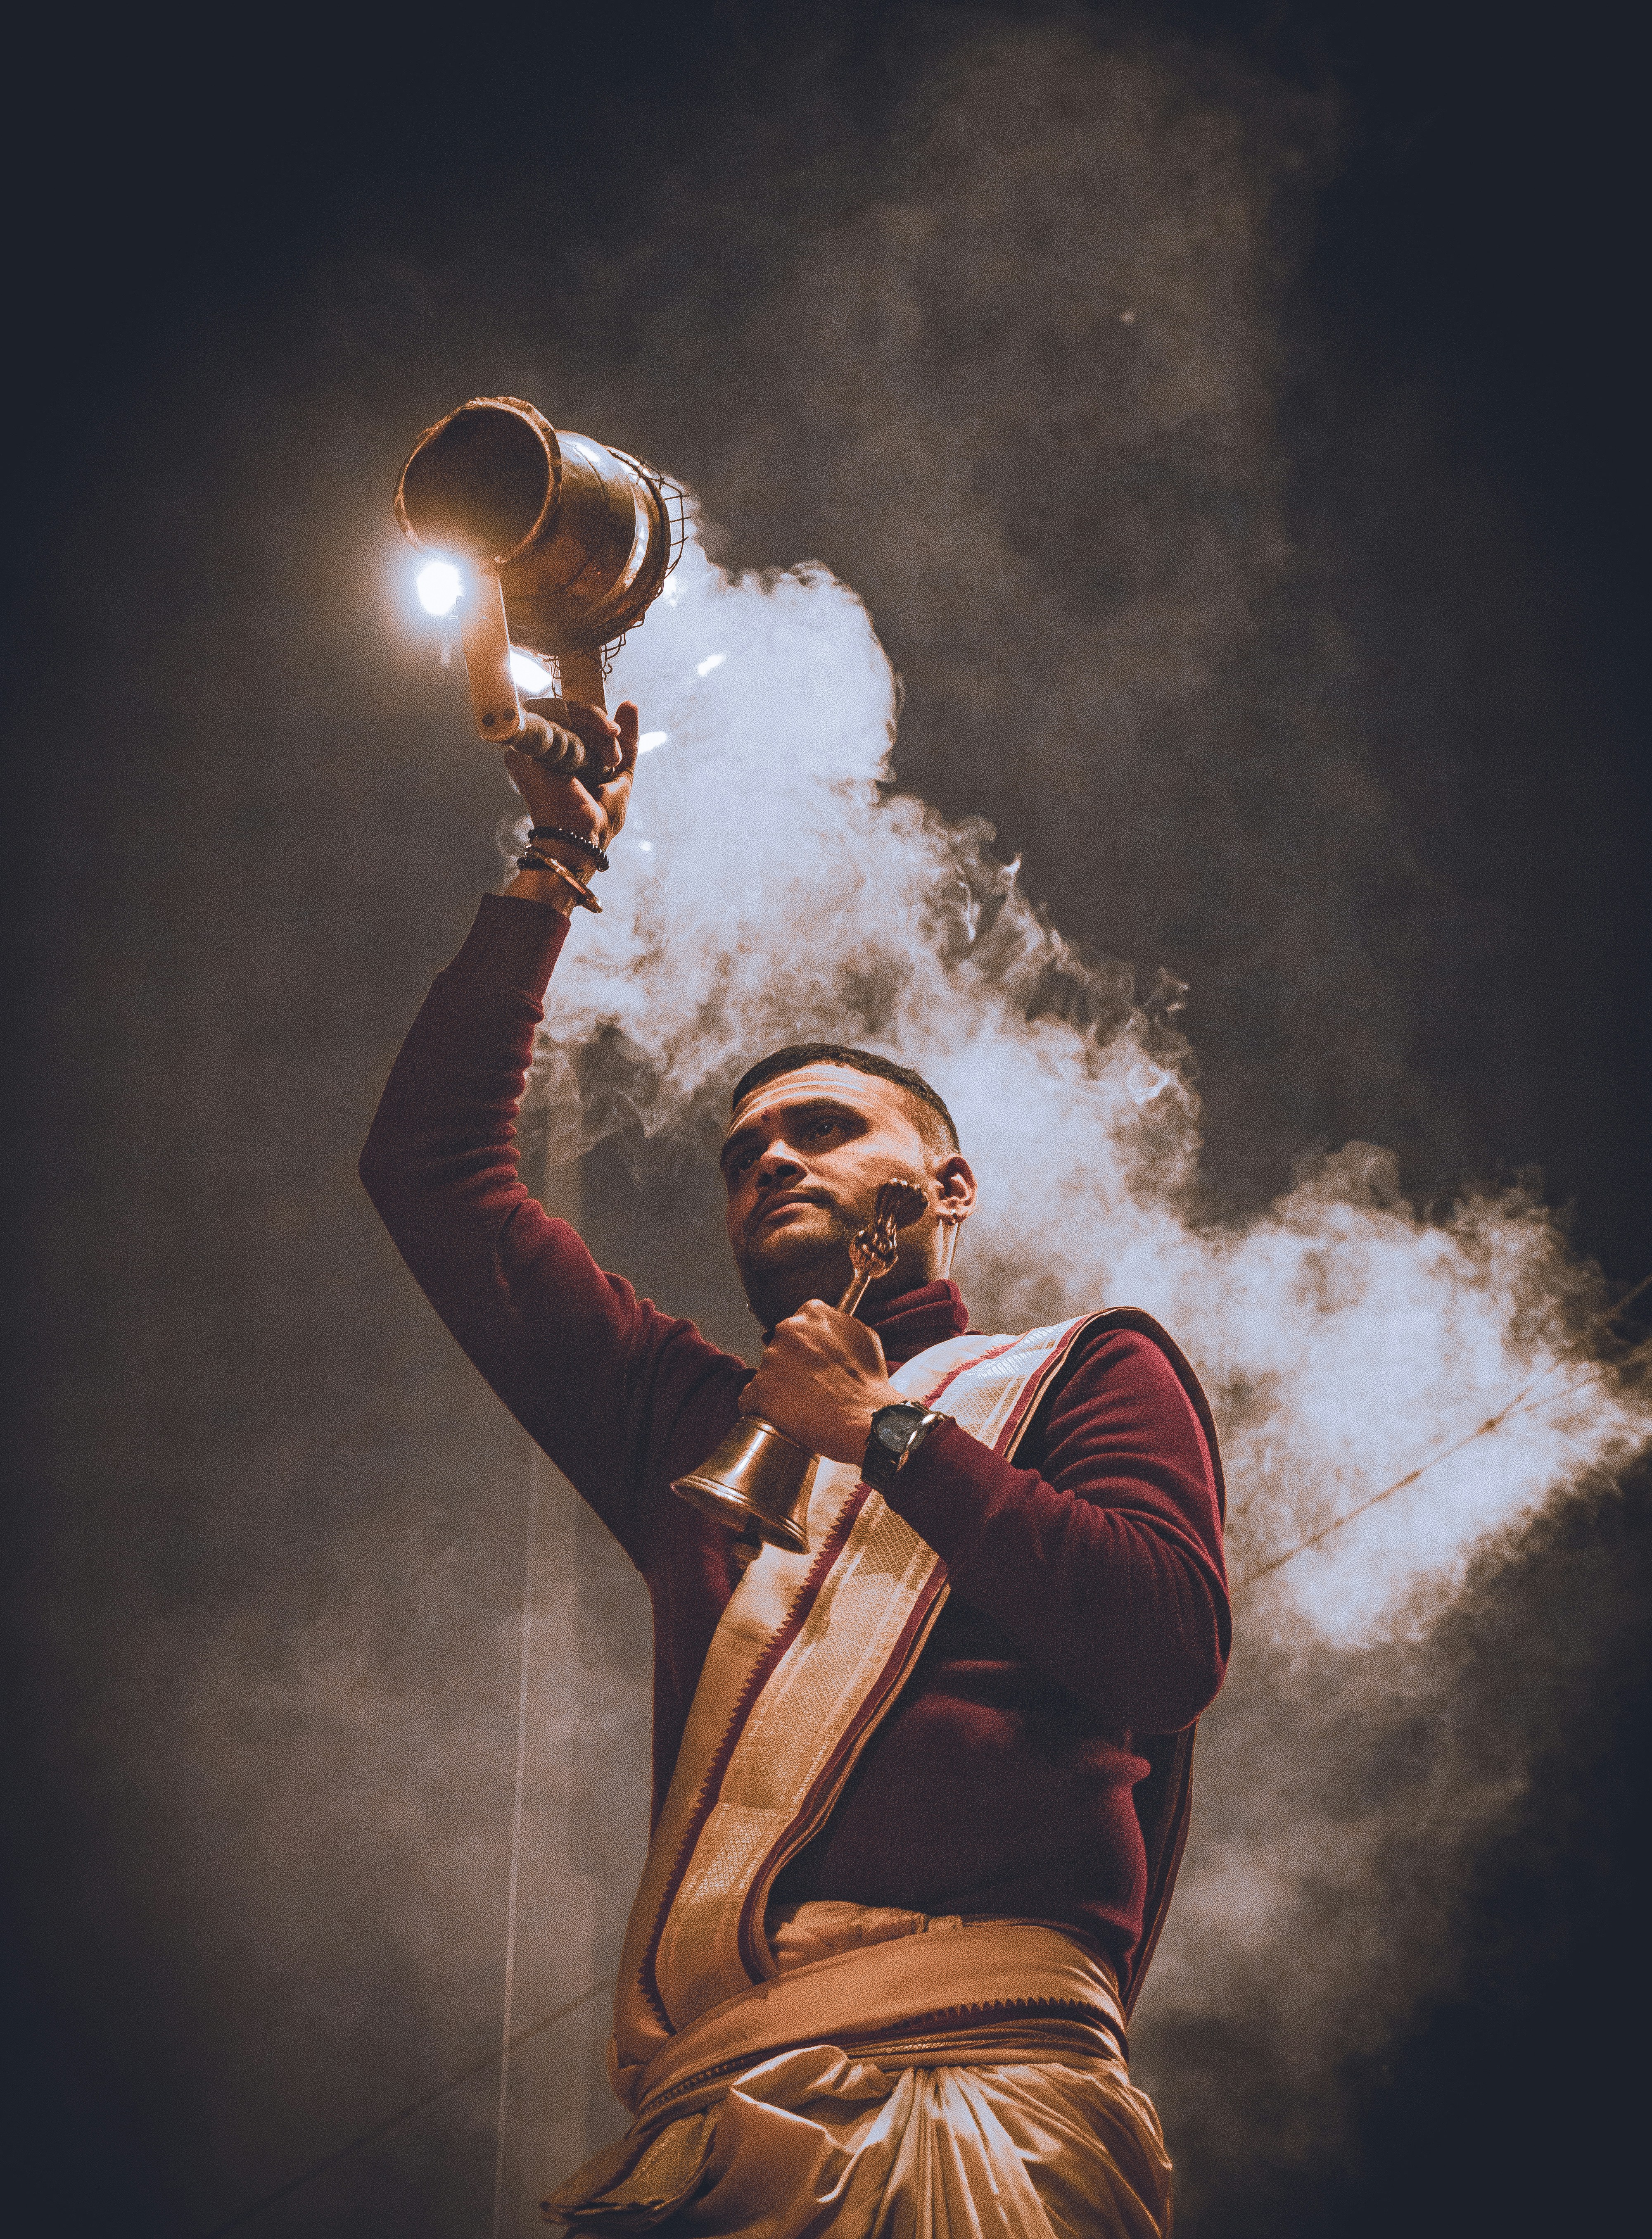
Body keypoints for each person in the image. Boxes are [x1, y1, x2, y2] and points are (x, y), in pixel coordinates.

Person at [360, 694, 1230, 2238]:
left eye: (823, 1129)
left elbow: (1164, 1649)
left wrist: (884, 1432)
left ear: (946, 1188)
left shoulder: (1086, 1368)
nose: (771, 1157)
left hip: (984, 2087)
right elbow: (432, 1172)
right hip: (713, 2100)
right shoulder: (698, 1423)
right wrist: (558, 861)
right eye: (745, 1152)